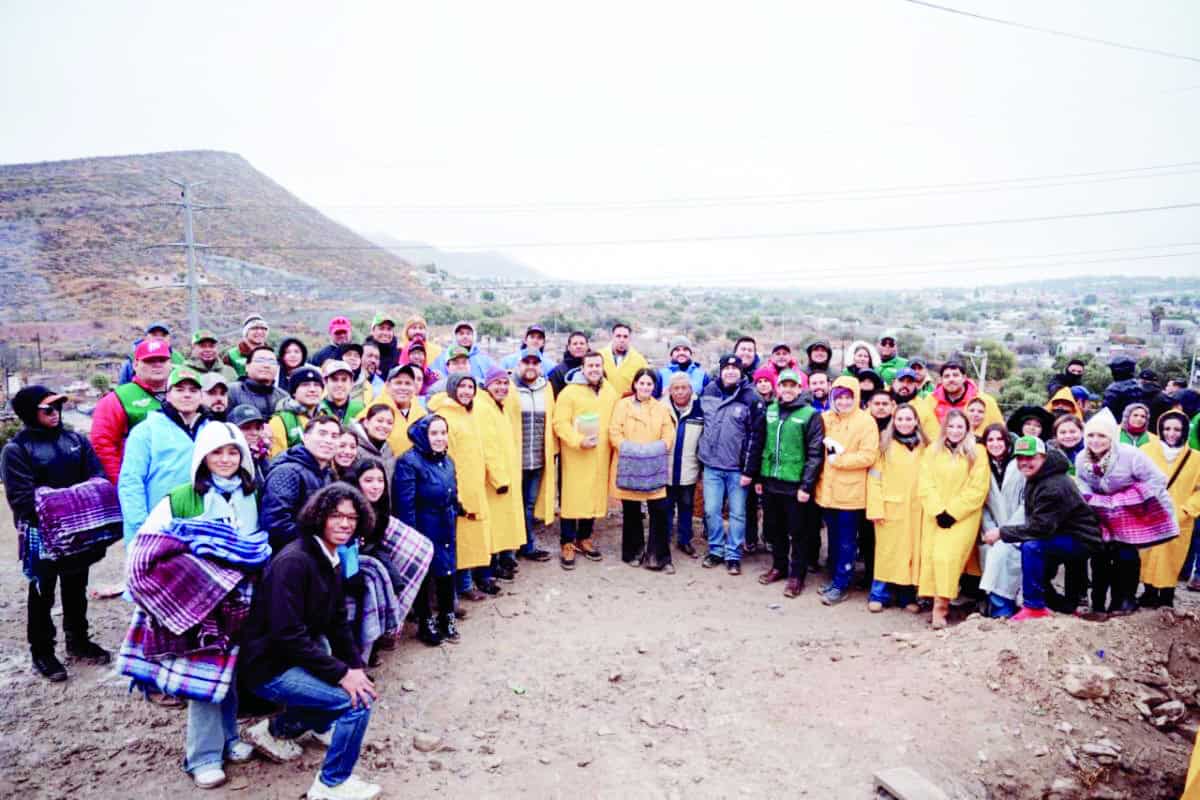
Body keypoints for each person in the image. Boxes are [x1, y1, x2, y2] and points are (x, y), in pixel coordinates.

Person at [133, 421, 264, 789]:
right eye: (217, 452)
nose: (225, 459)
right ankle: (202, 756)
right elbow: (150, 545)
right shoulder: (180, 497)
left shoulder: (252, 493)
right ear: (203, 457)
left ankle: (229, 737)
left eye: (233, 452)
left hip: (237, 597)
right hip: (198, 603)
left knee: (230, 672)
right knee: (204, 675)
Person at [239, 483, 382, 800]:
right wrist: (342, 674)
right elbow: (286, 634)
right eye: (335, 515)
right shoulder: (295, 561)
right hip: (269, 668)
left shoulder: (330, 556)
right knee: (356, 703)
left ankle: (275, 731)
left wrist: (356, 667)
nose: (344, 524)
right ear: (319, 517)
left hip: (293, 659)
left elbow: (336, 622)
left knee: (359, 687)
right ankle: (331, 785)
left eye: (351, 517)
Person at [2, 386, 114, 682]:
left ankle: (77, 640)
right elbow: (24, 501)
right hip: (41, 536)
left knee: (77, 586)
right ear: (29, 413)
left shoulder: (75, 440)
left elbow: (99, 479)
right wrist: (77, 502)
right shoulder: (16, 451)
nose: (56, 413)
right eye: (47, 409)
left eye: (57, 407)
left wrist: (59, 502)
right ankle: (42, 652)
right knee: (42, 593)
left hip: (78, 534)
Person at [980, 436, 1102, 622]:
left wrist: (1001, 533)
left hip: (1081, 539)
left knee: (1032, 547)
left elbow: (1040, 528)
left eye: (1031, 457)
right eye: (1020, 458)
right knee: (1031, 551)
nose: (1024, 463)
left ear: (1043, 457)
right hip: (1062, 533)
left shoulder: (1053, 485)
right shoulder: (1038, 476)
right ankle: (1059, 603)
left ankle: (1034, 606)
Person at [1075, 408, 1175, 617]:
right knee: (1100, 554)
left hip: (1132, 509)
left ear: (1111, 437)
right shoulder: (1082, 458)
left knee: (1126, 554)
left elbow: (1157, 479)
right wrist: (1092, 499)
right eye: (1091, 435)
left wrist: (1128, 499)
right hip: (1101, 510)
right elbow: (1082, 482)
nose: (1095, 440)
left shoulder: (1130, 455)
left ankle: (1124, 601)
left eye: (1101, 435)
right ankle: (1098, 605)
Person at [341, 458, 433, 662]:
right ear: (356, 482)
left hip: (368, 554)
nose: (376, 486)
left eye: (380, 480)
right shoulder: (348, 507)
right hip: (346, 562)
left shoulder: (379, 507)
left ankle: (379, 639)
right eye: (368, 480)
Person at [427, 375, 503, 599]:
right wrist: (454, 490)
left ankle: (466, 584)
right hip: (456, 489)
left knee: (469, 541)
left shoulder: (469, 414)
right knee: (455, 542)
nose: (467, 391)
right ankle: (453, 595)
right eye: (462, 387)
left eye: (470, 387)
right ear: (452, 389)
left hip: (474, 487)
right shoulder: (446, 417)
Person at [118, 367, 211, 545]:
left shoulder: (211, 429)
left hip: (199, 527)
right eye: (179, 389)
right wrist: (143, 527)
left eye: (193, 390)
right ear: (167, 395)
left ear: (201, 396)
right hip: (156, 527)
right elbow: (131, 482)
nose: (187, 395)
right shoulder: (146, 431)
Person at [916, 409, 990, 629]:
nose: (955, 431)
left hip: (962, 516)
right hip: (935, 514)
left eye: (960, 426)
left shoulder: (978, 452)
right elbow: (925, 482)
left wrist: (954, 512)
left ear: (967, 429)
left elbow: (977, 488)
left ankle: (941, 606)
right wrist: (938, 510)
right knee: (931, 556)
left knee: (947, 557)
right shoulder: (932, 451)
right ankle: (932, 598)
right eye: (951, 426)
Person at [755, 369, 824, 598]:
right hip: (771, 480)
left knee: (798, 532)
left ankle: (797, 576)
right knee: (776, 530)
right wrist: (759, 478)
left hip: (795, 484)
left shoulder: (810, 414)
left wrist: (806, 486)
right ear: (778, 388)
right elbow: (761, 443)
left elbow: (815, 453)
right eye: (783, 385)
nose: (787, 389)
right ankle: (779, 566)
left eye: (792, 385)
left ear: (799, 388)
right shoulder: (771, 410)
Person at [394, 415, 461, 646]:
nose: (440, 438)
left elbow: (453, 490)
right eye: (434, 433)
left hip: (446, 521)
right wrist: (412, 536)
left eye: (443, 432)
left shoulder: (447, 460)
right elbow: (405, 503)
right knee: (424, 572)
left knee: (447, 569)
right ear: (424, 435)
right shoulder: (409, 462)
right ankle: (425, 620)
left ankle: (447, 615)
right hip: (424, 524)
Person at [697, 354, 764, 576]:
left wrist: (749, 470)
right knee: (711, 510)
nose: (731, 372)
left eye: (736, 369)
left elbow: (756, 437)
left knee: (737, 514)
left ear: (742, 372)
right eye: (727, 368)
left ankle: (733, 554)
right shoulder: (709, 392)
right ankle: (716, 550)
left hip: (737, 469)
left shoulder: (751, 397)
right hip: (712, 466)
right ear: (721, 370)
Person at [815, 376, 880, 605]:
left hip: (851, 494)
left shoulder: (866, 422)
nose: (843, 401)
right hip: (828, 491)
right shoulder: (826, 418)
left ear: (856, 397)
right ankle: (835, 579)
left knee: (846, 541)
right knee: (832, 539)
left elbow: (869, 455)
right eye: (839, 396)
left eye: (848, 397)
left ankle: (842, 584)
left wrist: (840, 460)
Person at [552, 351, 619, 569]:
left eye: (597, 365)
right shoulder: (569, 393)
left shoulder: (609, 391)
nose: (594, 369)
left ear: (602, 367)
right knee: (573, 499)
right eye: (590, 365)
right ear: (582, 368)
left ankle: (585, 538)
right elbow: (559, 423)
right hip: (577, 455)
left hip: (600, 455)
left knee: (593, 497)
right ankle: (567, 542)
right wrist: (578, 440)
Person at [610, 367, 676, 572]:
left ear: (654, 386)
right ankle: (633, 552)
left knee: (659, 510)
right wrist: (631, 450)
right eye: (642, 383)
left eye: (649, 384)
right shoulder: (622, 405)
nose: (645, 387)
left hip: (654, 465)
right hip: (629, 463)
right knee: (631, 511)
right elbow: (614, 431)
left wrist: (654, 450)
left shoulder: (661, 408)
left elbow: (668, 434)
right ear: (635, 384)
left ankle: (659, 557)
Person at [866, 403, 927, 613]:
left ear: (916, 421)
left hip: (917, 510)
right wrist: (875, 508)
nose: (904, 423)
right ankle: (878, 595)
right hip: (890, 508)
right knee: (887, 553)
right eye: (900, 419)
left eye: (909, 419)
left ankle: (906, 596)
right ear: (894, 421)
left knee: (912, 554)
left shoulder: (925, 446)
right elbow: (874, 478)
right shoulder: (885, 445)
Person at [1137, 411, 1200, 608]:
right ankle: (1148, 593)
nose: (1171, 433)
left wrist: (1187, 511)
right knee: (1147, 554)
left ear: (1184, 431)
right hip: (1150, 514)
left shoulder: (1196, 458)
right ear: (1160, 429)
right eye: (1167, 429)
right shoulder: (1146, 451)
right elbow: (1136, 479)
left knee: (1171, 557)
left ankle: (1166, 596)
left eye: (1176, 429)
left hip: (1179, 517)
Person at [91, 338, 173, 481]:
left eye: (162, 360)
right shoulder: (116, 399)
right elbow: (103, 445)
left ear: (170, 363)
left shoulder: (184, 393)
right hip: (140, 480)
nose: (157, 365)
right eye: (149, 361)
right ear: (135, 364)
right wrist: (121, 483)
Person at [261, 416, 338, 553]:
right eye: (322, 433)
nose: (328, 441)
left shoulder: (328, 474)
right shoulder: (287, 472)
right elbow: (276, 525)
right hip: (292, 557)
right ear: (305, 438)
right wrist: (319, 541)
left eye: (334, 436)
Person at [478, 367, 522, 581]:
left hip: (504, 476)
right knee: (491, 529)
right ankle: (487, 572)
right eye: (497, 383)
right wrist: (499, 478)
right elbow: (489, 447)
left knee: (500, 525)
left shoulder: (498, 407)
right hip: (494, 480)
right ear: (488, 385)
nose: (502, 387)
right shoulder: (483, 408)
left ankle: (498, 564)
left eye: (505, 383)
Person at [978, 423, 1025, 618]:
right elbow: (983, 504)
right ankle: (997, 607)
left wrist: (1007, 531)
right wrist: (991, 530)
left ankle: (1008, 607)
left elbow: (1026, 502)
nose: (995, 444)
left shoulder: (1019, 465)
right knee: (991, 554)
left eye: (999, 439)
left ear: (1007, 441)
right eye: (990, 440)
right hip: (992, 530)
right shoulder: (982, 467)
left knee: (1010, 560)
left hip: (1019, 527)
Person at [512, 352, 556, 562]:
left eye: (535, 363)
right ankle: (510, 549)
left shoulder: (546, 389)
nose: (530, 366)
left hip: (537, 459)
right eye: (526, 362)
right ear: (518, 364)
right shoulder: (510, 388)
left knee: (529, 505)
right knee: (512, 504)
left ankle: (527, 545)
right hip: (514, 460)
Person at [665, 372, 704, 558]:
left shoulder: (699, 409)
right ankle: (663, 539)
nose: (680, 392)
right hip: (666, 468)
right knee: (665, 506)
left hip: (688, 468)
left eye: (684, 388)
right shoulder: (661, 408)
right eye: (676, 388)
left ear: (691, 389)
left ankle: (684, 540)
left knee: (686, 506)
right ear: (670, 390)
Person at [919, 358, 1003, 435]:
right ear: (941, 380)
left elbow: (1000, 431)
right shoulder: (929, 401)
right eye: (947, 376)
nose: (951, 379)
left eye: (955, 375)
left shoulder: (986, 402)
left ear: (964, 378)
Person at [359, 364, 427, 458]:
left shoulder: (421, 414)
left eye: (408, 383)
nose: (403, 388)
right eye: (398, 383)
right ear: (387, 385)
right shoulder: (374, 410)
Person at [268, 365, 325, 458]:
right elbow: (276, 459)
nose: (312, 389)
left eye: (317, 385)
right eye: (305, 385)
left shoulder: (327, 416)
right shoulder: (280, 421)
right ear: (294, 392)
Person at [227, 346, 289, 424]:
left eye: (272, 362)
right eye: (260, 360)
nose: (266, 366)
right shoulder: (231, 392)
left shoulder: (283, 397)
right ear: (247, 366)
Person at [117, 321, 186, 384]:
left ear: (169, 338)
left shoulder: (178, 359)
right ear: (146, 337)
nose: (159, 338)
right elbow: (122, 387)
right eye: (154, 335)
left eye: (163, 335)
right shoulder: (132, 359)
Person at [431, 320, 497, 381]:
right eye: (461, 334)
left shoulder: (484, 359)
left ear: (474, 336)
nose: (465, 336)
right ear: (455, 336)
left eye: (468, 333)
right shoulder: (443, 357)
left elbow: (496, 377)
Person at [599, 322, 649, 397]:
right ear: (612, 337)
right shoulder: (599, 356)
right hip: (604, 402)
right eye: (618, 336)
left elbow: (646, 383)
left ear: (630, 338)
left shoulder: (639, 360)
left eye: (625, 337)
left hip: (628, 404)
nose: (622, 340)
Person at [228, 404, 271, 485]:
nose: (254, 433)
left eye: (258, 428)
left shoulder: (262, 455)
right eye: (246, 427)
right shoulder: (229, 462)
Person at [352, 404, 395, 483]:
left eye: (389, 423)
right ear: (366, 423)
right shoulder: (354, 449)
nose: (384, 426)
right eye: (380, 421)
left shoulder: (389, 451)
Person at [223, 314, 270, 379]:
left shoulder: (271, 355)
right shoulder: (231, 355)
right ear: (246, 332)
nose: (259, 332)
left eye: (263, 328)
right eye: (254, 328)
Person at [547, 331, 589, 397]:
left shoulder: (595, 367)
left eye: (582, 343)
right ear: (568, 347)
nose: (578, 346)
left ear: (587, 346)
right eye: (575, 344)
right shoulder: (557, 372)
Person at [1102, 356, 1142, 421]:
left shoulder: (1113, 390)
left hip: (1117, 426)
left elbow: (1106, 413)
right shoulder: (1139, 386)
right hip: (1136, 424)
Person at [368, 312, 401, 376]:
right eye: (381, 328)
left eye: (389, 329)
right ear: (372, 331)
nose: (385, 333)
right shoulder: (363, 353)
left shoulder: (399, 353)